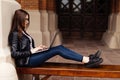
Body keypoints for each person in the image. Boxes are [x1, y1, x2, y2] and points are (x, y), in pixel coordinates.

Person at [8, 9, 103, 68]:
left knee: (59, 47)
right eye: (25, 19)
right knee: (58, 50)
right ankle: (87, 60)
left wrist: (38, 48)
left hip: (31, 57)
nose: (27, 22)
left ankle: (87, 59)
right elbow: (14, 53)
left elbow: (27, 48)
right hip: (27, 62)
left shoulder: (23, 32)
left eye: (28, 19)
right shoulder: (15, 34)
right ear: (19, 19)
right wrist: (32, 51)